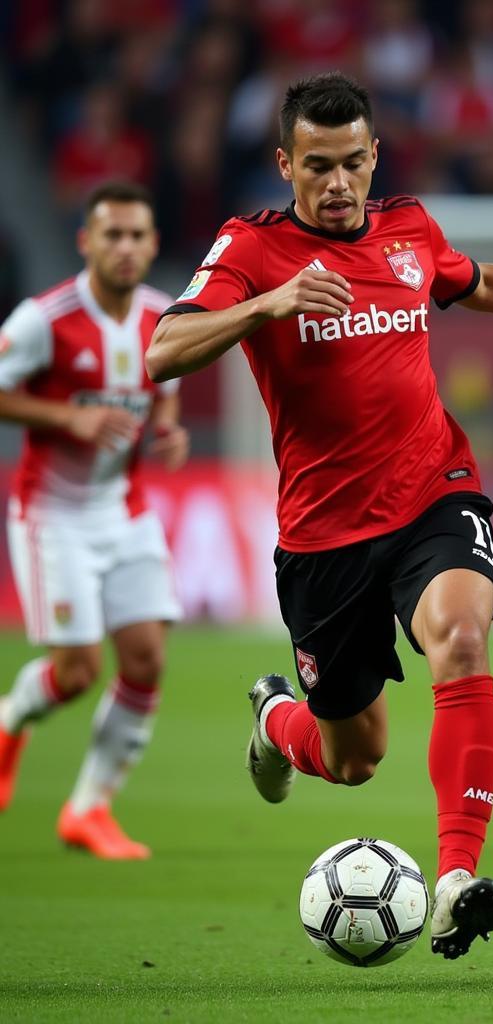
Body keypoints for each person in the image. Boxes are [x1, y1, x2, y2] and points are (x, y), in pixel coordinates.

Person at [146, 72, 493, 960]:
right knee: (352, 757)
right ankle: (273, 721)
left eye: (352, 165)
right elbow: (163, 349)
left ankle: (456, 876)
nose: (337, 185)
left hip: (431, 492)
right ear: (285, 164)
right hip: (323, 536)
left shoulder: (410, 228)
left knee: (462, 636)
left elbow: (476, 281)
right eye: (317, 167)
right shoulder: (250, 249)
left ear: (374, 157)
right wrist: (269, 303)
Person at [0, 181, 189, 859]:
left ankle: (89, 808)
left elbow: (164, 393)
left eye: (138, 235)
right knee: (76, 671)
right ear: (86, 242)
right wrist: (66, 415)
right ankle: (10, 720)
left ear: (153, 244)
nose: (126, 247)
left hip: (125, 511)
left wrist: (167, 433)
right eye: (112, 235)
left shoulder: (164, 318)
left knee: (146, 659)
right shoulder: (43, 320)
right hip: (52, 514)